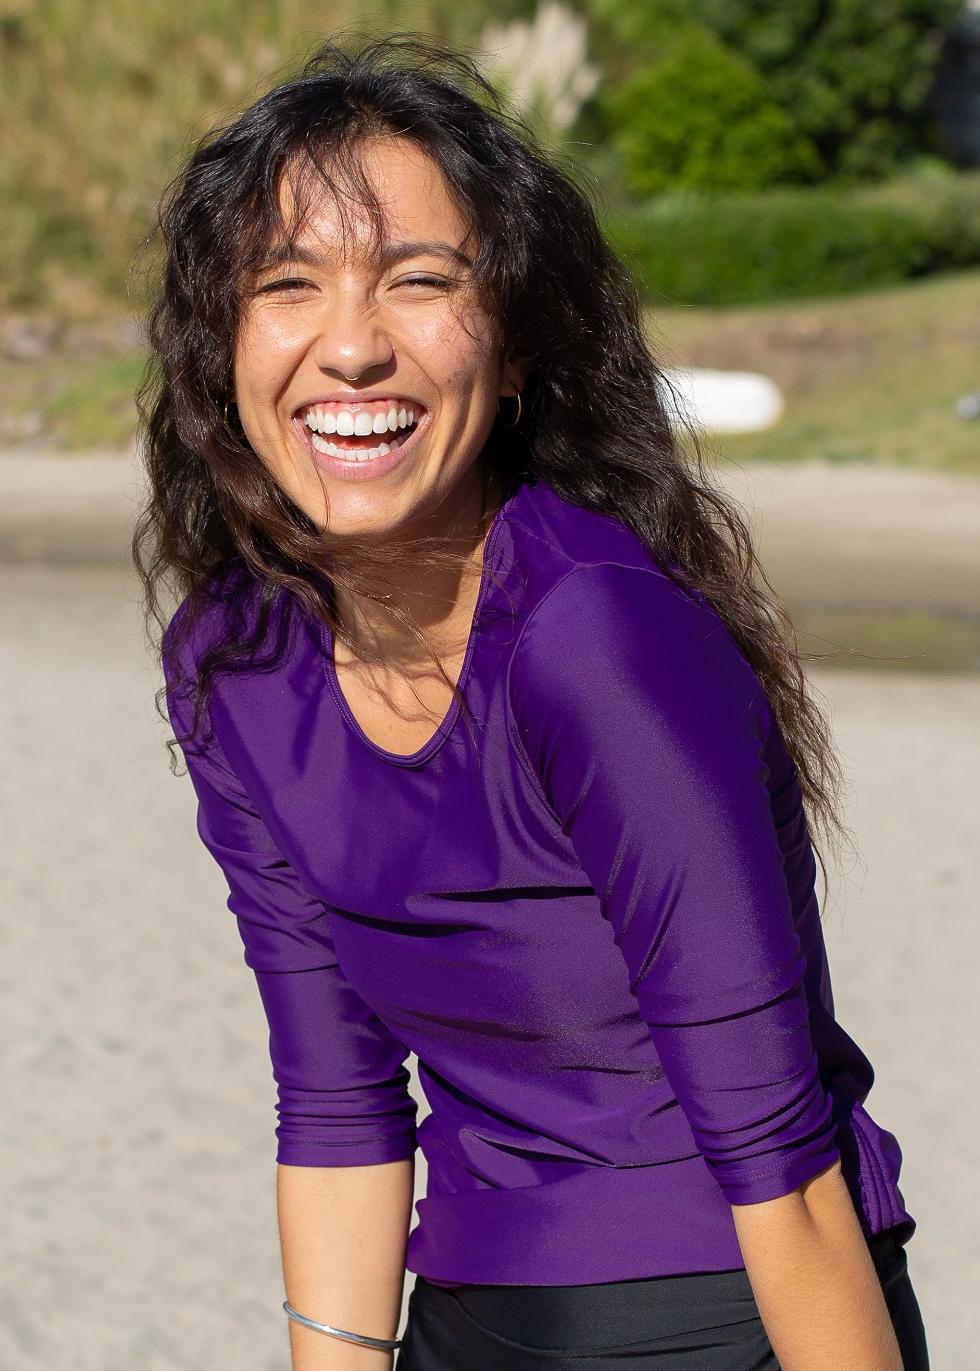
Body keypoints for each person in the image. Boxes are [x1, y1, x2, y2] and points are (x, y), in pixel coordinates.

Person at [134, 31, 930, 1371]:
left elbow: (783, 1174)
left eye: (420, 281)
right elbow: (336, 1105)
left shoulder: (599, 642)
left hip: (728, 1312)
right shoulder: (235, 659)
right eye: (288, 285)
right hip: (470, 1312)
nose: (350, 346)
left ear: (512, 356)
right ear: (222, 350)